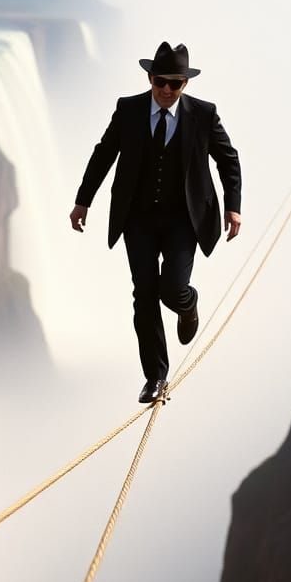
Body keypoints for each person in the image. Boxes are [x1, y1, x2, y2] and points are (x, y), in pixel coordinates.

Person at [69, 41, 242, 404]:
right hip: (138, 218)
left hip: (184, 220)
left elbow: (228, 159)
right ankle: (156, 378)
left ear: (185, 85)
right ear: (150, 78)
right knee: (144, 295)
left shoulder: (204, 115)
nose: (166, 89)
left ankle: (187, 302)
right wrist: (83, 200)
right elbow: (103, 154)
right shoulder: (128, 109)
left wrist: (233, 207)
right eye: (160, 81)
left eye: (174, 83)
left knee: (171, 289)